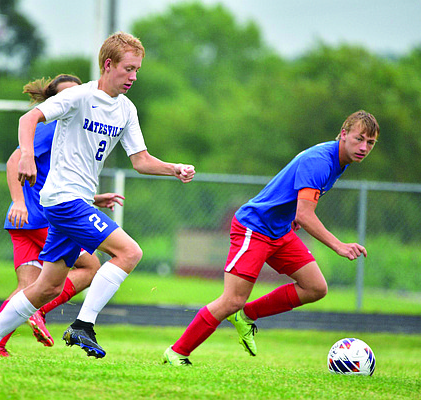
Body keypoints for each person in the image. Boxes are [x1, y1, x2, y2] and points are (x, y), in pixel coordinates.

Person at [0, 31, 195, 360]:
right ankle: (82, 325)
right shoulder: (80, 96)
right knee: (129, 252)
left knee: (48, 287)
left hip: (77, 201)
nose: (133, 76)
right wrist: (27, 155)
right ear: (108, 64)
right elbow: (29, 117)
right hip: (62, 199)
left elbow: (141, 160)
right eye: (128, 69)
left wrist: (174, 168)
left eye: (137, 71)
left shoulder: (127, 110)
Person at [162, 110, 379, 366]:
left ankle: (246, 316)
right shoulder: (321, 160)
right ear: (343, 134)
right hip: (254, 228)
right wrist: (338, 245)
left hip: (279, 229)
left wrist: (292, 214)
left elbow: (298, 201)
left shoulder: (338, 161)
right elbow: (306, 214)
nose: (363, 147)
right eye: (359, 139)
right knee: (232, 300)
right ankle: (177, 352)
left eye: (370, 143)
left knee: (315, 288)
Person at [0, 74, 124, 356]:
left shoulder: (71, 130)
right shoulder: (54, 127)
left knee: (27, 288)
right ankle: (40, 312)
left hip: (23, 222)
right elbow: (14, 160)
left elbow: (57, 177)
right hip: (41, 217)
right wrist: (19, 200)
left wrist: (93, 198)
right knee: (91, 267)